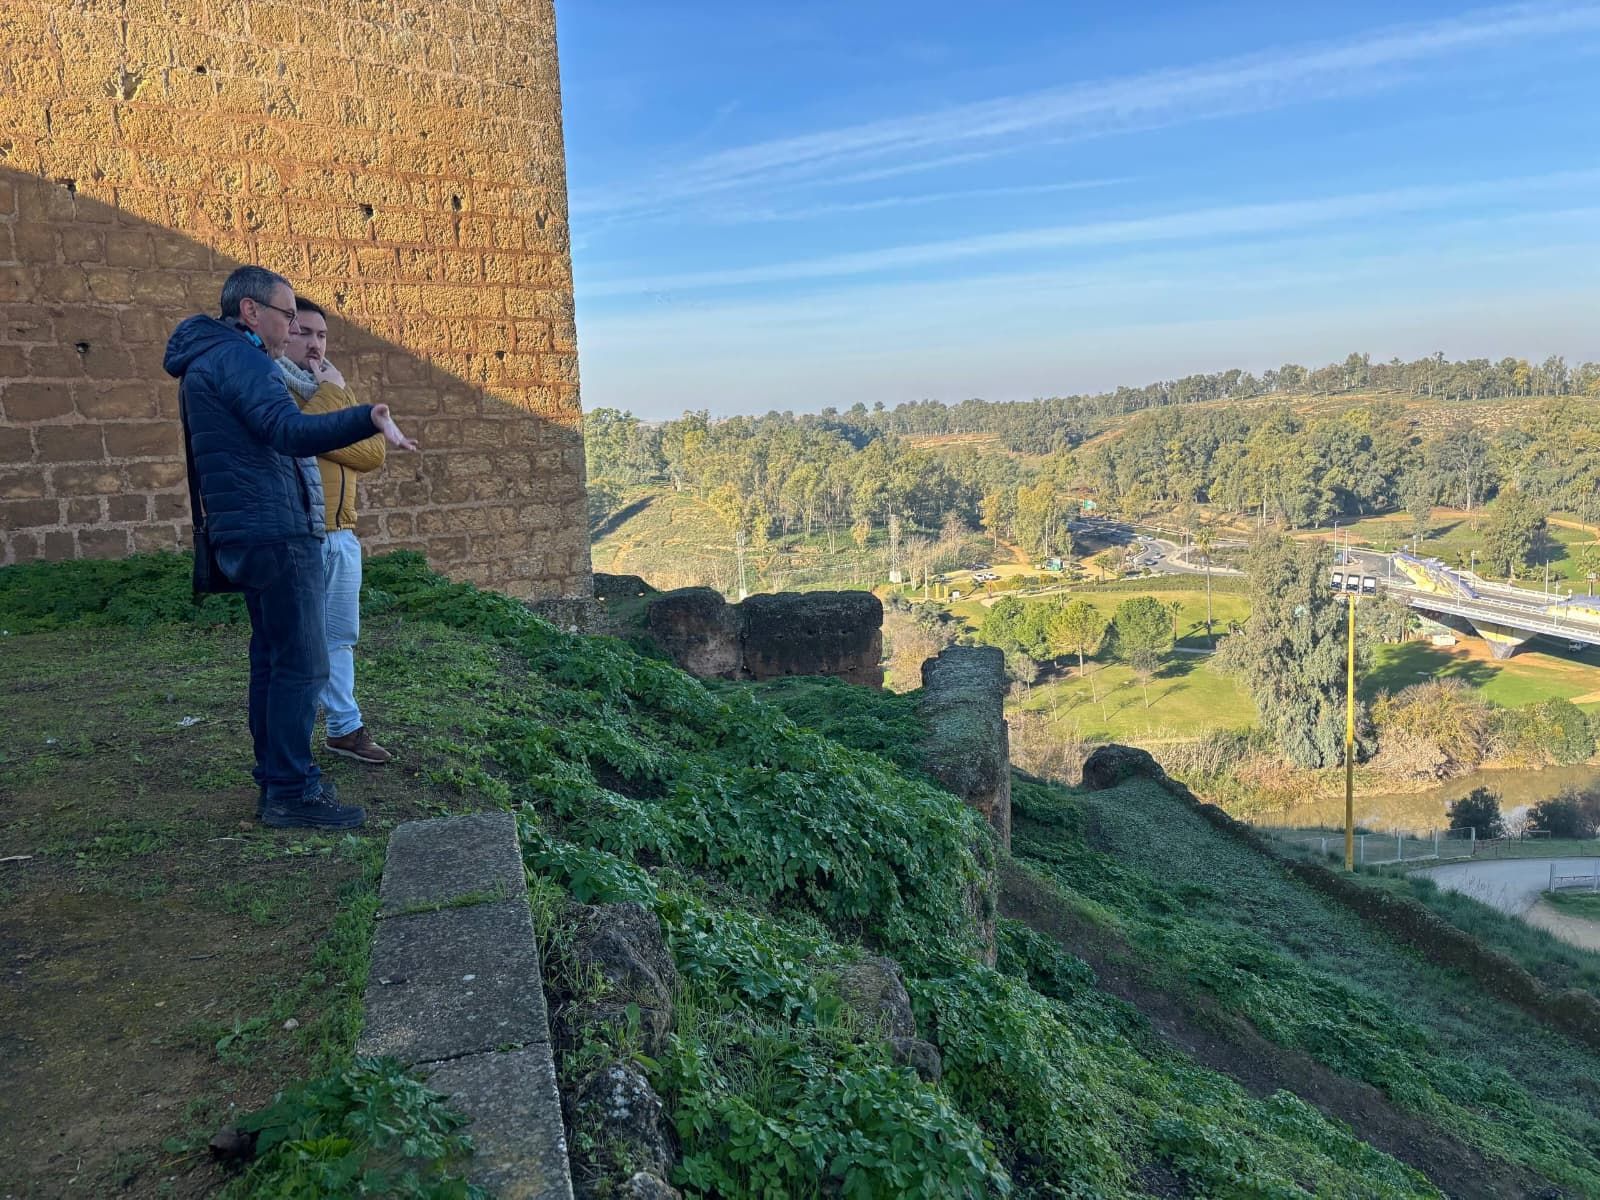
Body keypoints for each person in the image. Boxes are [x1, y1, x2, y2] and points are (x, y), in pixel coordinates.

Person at [163, 267, 418, 830]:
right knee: (301, 666)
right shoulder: (241, 359)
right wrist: (366, 415)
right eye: (285, 317)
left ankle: (278, 778)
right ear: (252, 313)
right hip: (275, 531)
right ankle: (292, 791)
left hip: (248, 529)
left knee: (274, 662)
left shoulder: (209, 358)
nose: (290, 329)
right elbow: (287, 431)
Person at [278, 298, 392, 765]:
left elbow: (373, 455)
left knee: (340, 636)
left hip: (342, 534)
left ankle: (344, 728)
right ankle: (288, 748)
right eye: (304, 332)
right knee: (299, 642)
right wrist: (333, 401)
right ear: (284, 334)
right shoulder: (274, 386)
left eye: (322, 335)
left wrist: (333, 412)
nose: (315, 343)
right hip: (302, 533)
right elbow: (298, 433)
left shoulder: (330, 388)